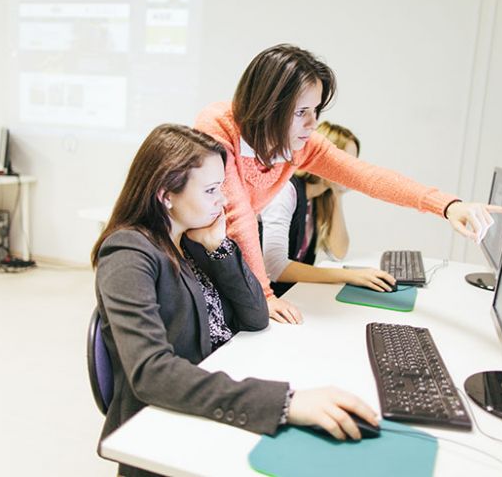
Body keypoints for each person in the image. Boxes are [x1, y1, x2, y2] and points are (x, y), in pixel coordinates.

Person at [92, 124, 378, 477]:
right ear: (166, 195)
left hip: (215, 393)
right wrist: (284, 404)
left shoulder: (195, 241)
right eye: (211, 190)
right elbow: (151, 373)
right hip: (166, 426)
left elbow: (256, 315)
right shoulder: (128, 253)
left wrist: (219, 248)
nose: (224, 201)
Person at [195, 43, 502, 324]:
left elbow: (367, 176)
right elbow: (238, 214)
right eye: (301, 112)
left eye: (316, 110)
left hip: (226, 260)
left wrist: (448, 206)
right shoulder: (219, 125)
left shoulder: (300, 146)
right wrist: (264, 295)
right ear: (268, 106)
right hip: (188, 259)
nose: (312, 123)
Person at [261, 121, 396, 297]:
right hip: (266, 298)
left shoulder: (319, 197)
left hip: (291, 295)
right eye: (344, 161)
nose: (351, 171)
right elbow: (274, 267)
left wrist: (337, 196)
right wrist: (350, 276)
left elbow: (338, 252)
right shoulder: (286, 191)